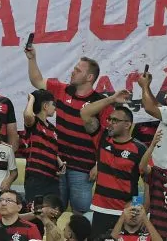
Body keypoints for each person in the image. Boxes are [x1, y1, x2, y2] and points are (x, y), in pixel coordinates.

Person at [26, 44, 107, 215]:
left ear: (89, 77)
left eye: (78, 70)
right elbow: (37, 80)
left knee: (82, 213)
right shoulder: (62, 90)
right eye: (75, 68)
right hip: (58, 165)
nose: (73, 71)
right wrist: (32, 59)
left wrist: (99, 164)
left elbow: (108, 137)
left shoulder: (100, 102)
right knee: (54, 210)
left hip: (83, 168)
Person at [80, 98, 142, 239]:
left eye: (115, 121)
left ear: (127, 125)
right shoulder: (102, 138)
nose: (110, 123)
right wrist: (112, 99)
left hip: (125, 212)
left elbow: (148, 181)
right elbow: (85, 113)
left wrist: (137, 209)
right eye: (109, 119)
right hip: (101, 209)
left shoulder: (140, 149)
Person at [22, 90, 60, 203]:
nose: (55, 108)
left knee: (53, 212)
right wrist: (32, 100)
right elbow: (28, 115)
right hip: (35, 177)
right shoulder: (34, 124)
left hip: (52, 179)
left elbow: (53, 150)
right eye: (54, 104)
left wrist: (60, 164)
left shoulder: (53, 129)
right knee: (36, 213)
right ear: (45, 106)